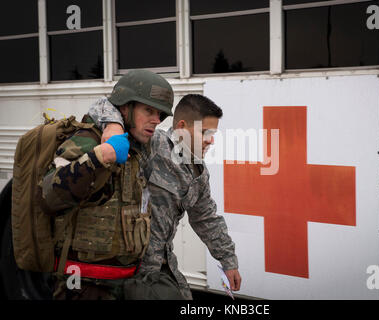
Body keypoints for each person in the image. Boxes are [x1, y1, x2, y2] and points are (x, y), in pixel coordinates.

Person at [88, 93, 242, 300]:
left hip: (160, 266)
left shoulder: (198, 173)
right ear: (181, 127)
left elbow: (206, 218)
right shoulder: (152, 143)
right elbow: (103, 104)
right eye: (205, 133)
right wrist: (114, 126)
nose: (211, 140)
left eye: (213, 134)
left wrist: (228, 260)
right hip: (124, 269)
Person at [40, 69, 174, 299]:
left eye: (160, 114)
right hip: (83, 285)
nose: (156, 120)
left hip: (123, 282)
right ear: (125, 108)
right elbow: (49, 195)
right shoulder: (88, 140)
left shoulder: (137, 147)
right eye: (148, 110)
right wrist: (99, 158)